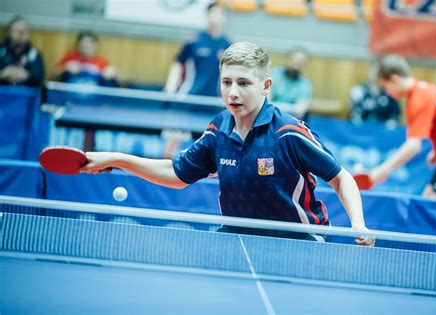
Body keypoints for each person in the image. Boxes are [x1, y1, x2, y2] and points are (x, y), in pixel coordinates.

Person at [80, 42, 374, 246]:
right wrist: (118, 159)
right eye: (227, 82)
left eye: (244, 83)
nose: (233, 92)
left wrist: (357, 224)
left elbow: (340, 177)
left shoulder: (288, 132)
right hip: (235, 237)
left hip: (299, 241)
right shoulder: (218, 129)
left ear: (265, 86)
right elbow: (177, 175)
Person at [369, 55, 436, 201]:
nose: (387, 93)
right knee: (426, 202)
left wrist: (384, 169)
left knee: (433, 210)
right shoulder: (422, 89)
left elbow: (413, 146)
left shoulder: (420, 98)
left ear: (394, 80)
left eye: (385, 87)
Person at [163, 1, 231, 96]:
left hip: (213, 99)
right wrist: (171, 86)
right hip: (190, 96)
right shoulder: (194, 41)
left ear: (224, 18)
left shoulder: (227, 44)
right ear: (207, 16)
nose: (215, 17)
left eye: (219, 14)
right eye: (213, 13)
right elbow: (178, 63)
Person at [0, 16, 44, 87]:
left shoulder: (34, 54)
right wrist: (3, 73)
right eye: (17, 30)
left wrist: (26, 76)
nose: (20, 35)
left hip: (26, 95)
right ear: (9, 32)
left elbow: (40, 78)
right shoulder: (1, 51)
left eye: (24, 31)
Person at [270, 48, 312, 118]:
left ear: (305, 63)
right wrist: (292, 108)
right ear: (288, 59)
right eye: (295, 59)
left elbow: (300, 111)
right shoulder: (273, 74)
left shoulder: (305, 85)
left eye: (301, 60)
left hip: (290, 120)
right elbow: (265, 103)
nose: (297, 62)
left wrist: (273, 106)